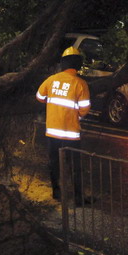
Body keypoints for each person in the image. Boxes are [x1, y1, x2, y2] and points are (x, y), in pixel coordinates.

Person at [36, 47, 91, 203]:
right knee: (75, 166)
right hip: (71, 133)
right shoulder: (80, 84)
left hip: (52, 132)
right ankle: (79, 198)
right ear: (78, 64)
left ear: (63, 63)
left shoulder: (51, 79)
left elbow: (40, 96)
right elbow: (84, 110)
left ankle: (57, 193)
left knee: (54, 163)